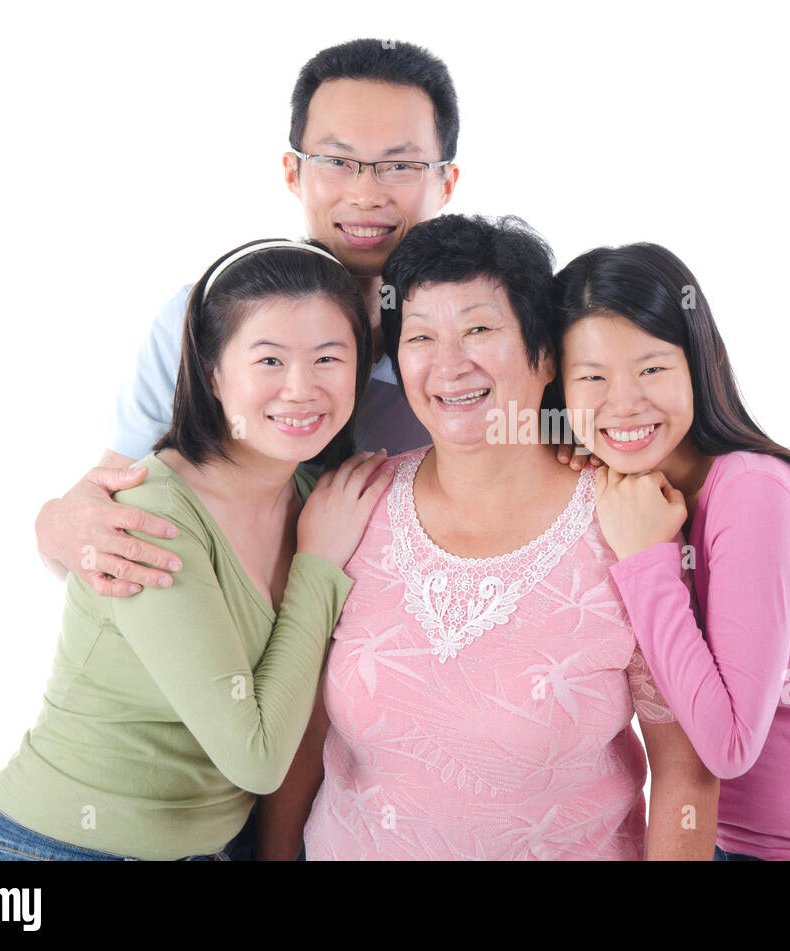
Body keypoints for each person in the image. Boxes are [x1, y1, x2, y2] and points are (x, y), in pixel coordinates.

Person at [255, 216, 719, 860]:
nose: (449, 364)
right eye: (420, 336)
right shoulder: (349, 508)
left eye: (478, 328)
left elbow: (687, 774)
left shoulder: (629, 525)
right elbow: (300, 739)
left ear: (544, 353)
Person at [0, 240, 393, 860]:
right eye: (269, 360)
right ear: (214, 373)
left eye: (328, 358)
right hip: (59, 849)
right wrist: (316, 567)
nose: (301, 388)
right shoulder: (152, 513)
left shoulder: (316, 498)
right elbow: (257, 760)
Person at [35, 38, 460, 599]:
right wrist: (57, 526)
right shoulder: (205, 317)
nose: (364, 193)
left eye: (400, 165)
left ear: (446, 183)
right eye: (337, 161)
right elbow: (108, 502)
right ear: (293, 172)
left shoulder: (485, 335)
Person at [553, 243, 790, 861]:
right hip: (729, 841)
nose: (622, 402)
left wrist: (646, 560)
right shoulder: (635, 491)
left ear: (701, 365)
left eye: (652, 369)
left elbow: (729, 745)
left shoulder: (755, 491)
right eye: (592, 377)